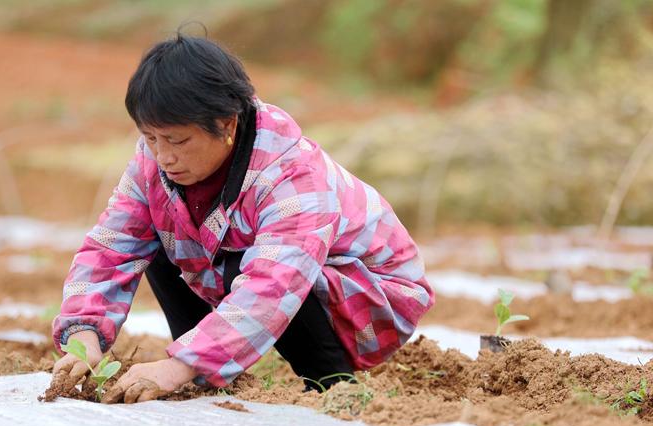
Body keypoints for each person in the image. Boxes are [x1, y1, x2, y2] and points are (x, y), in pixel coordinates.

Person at [51, 33, 434, 404]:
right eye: (151, 138)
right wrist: (84, 336)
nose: (164, 156)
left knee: (252, 265)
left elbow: (275, 282)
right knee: (164, 234)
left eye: (178, 141)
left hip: (370, 299)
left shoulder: (292, 175)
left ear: (227, 124)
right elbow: (112, 245)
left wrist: (178, 367)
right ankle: (199, 370)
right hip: (271, 276)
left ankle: (331, 383)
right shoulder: (153, 164)